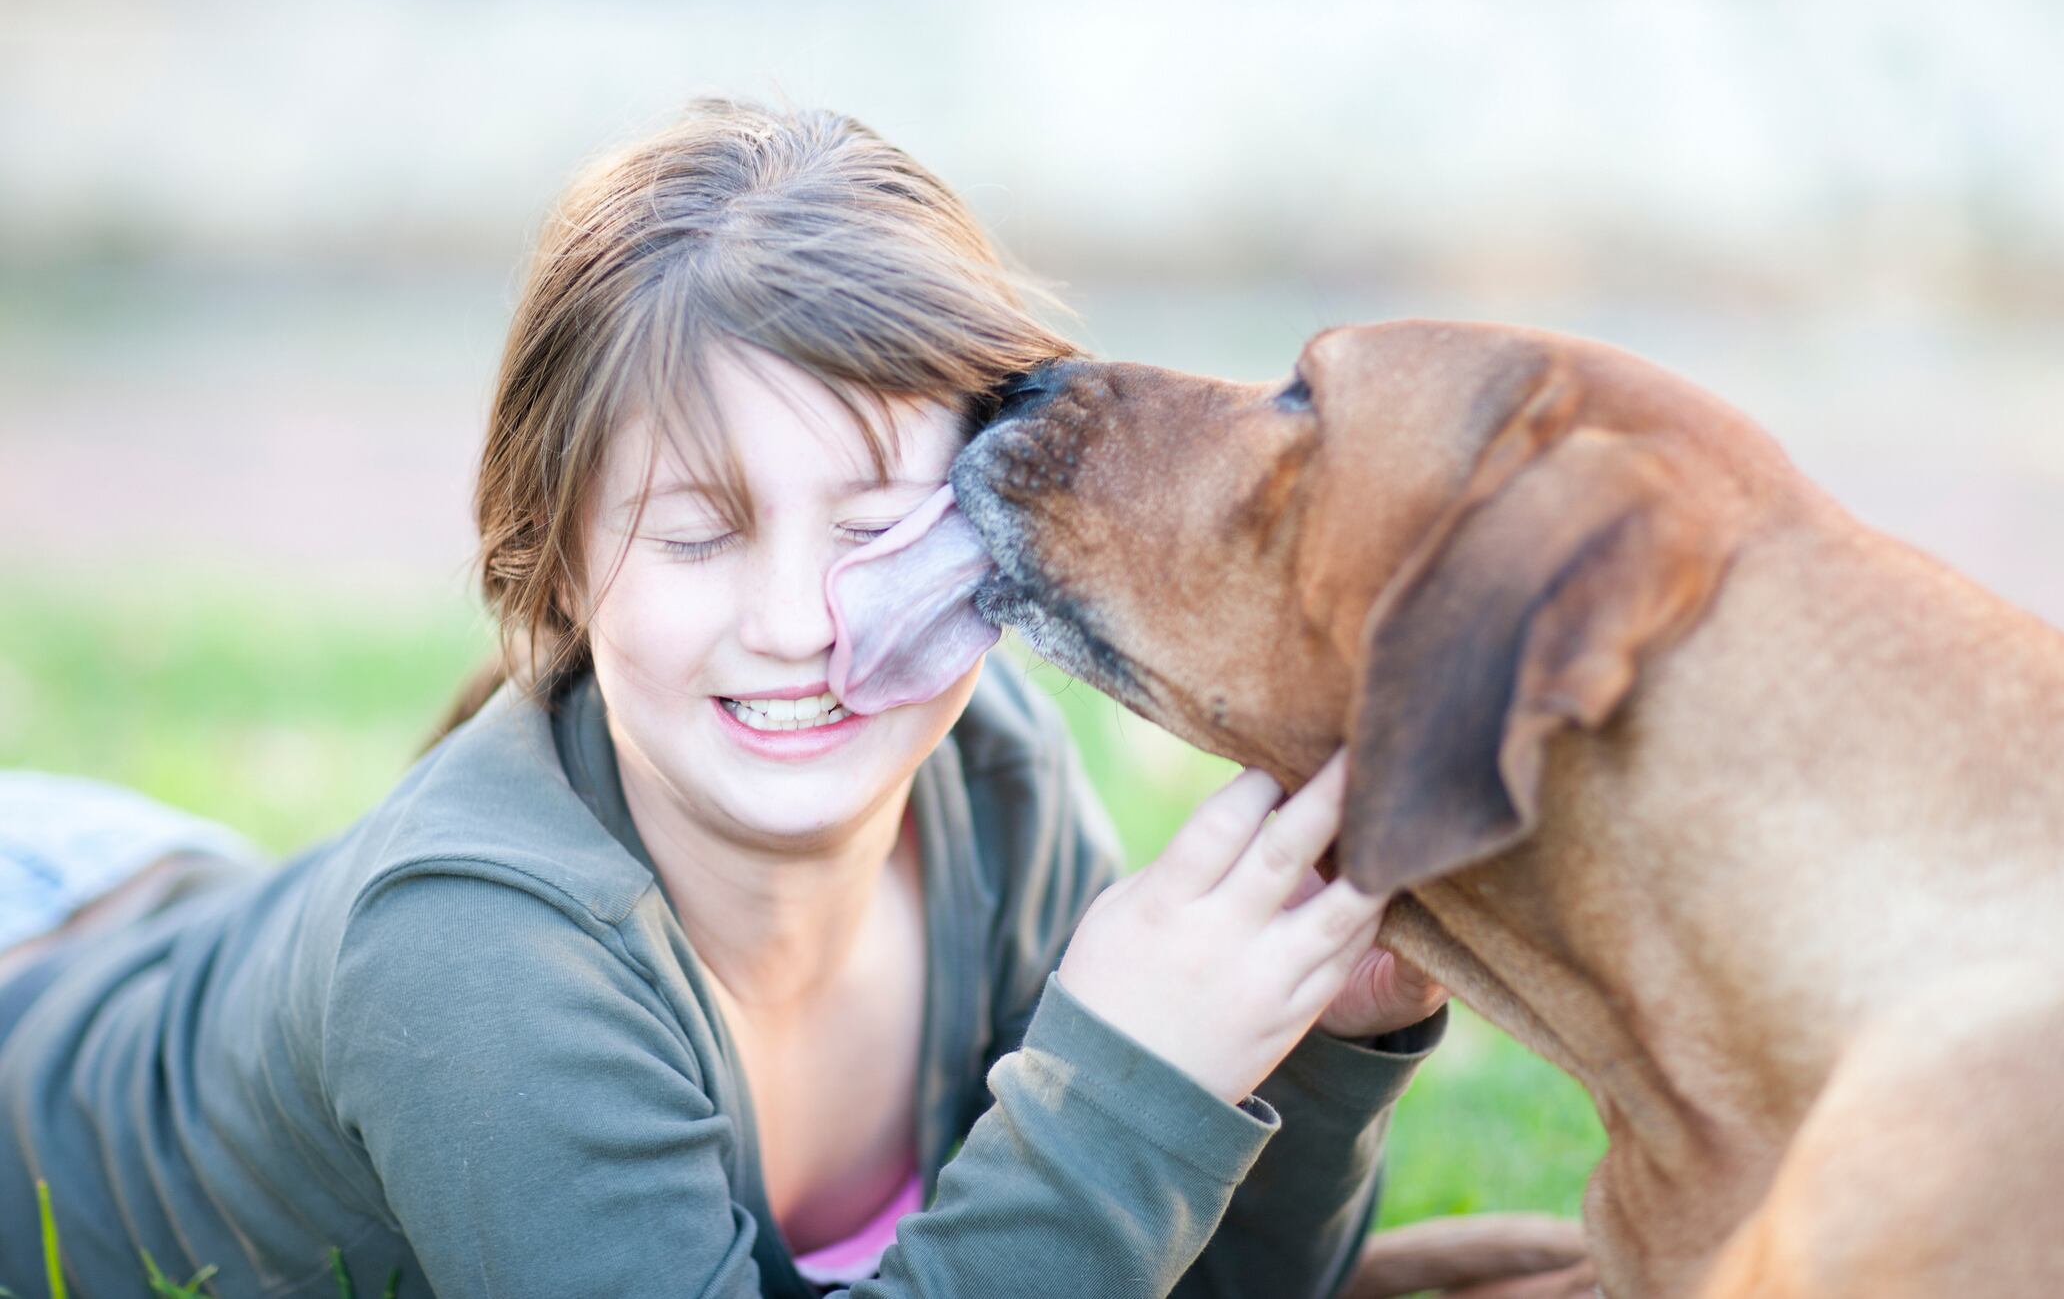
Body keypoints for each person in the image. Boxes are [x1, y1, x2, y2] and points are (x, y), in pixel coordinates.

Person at [0, 99, 1449, 1298]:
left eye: (880, 521)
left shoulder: (989, 773)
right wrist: (1121, 1076)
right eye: (698, 533)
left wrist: (1309, 1042)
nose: (800, 622)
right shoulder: (479, 968)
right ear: (553, 564)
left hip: (167, 896)